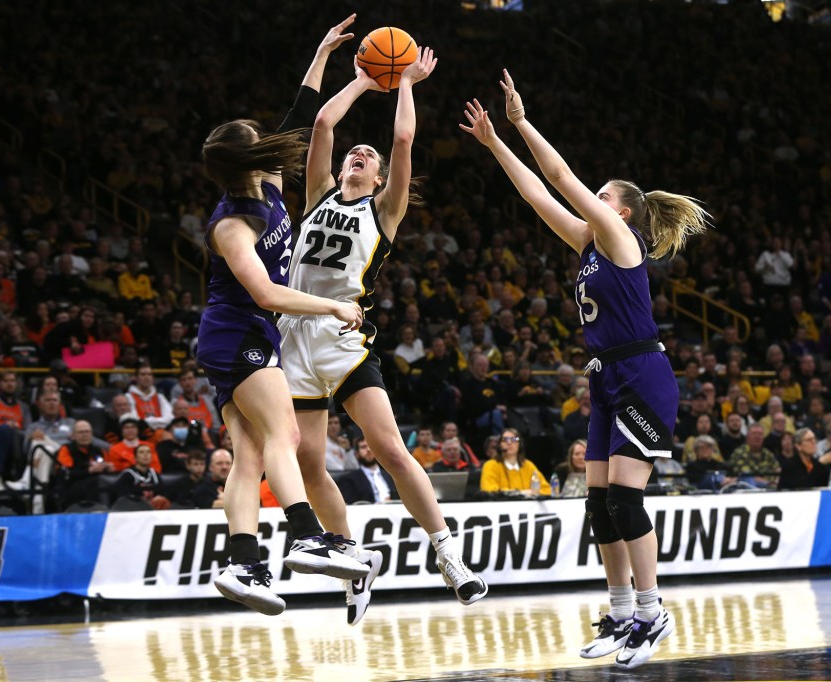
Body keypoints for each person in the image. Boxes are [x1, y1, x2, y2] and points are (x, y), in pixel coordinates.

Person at [461, 70, 709, 668]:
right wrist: (495, 144)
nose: (590, 200)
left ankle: (652, 612)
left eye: (601, 196)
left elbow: (560, 178)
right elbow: (538, 196)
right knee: (599, 507)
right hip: (604, 378)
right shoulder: (589, 244)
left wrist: (521, 122)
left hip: (641, 375)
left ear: (621, 212)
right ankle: (621, 613)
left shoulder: (624, 244)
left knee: (626, 502)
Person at [277, 42, 486, 627]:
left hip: (342, 335)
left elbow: (401, 142)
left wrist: (408, 83)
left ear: (379, 179)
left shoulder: (382, 212)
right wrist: (367, 82)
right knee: (310, 464)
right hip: (292, 337)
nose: (359, 153)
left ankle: (448, 553)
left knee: (390, 449)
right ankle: (350, 561)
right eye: (353, 153)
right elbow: (322, 121)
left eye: (366, 157)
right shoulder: (317, 194)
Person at [194, 15, 369, 617]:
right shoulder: (232, 225)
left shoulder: (265, 179)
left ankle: (243, 563)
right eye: (256, 135)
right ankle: (305, 537)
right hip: (237, 333)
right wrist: (332, 305)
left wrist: (323, 54)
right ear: (248, 159)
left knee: (249, 454)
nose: (270, 137)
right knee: (285, 436)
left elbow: (301, 115)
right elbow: (267, 295)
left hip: (239, 336)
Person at [480, 428, 551, 495]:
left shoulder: (528, 466)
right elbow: (489, 491)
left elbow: (547, 490)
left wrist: (531, 492)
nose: (509, 443)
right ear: (500, 445)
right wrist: (522, 493)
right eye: (505, 440)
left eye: (514, 439)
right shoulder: (490, 466)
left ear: (520, 444)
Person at [337, 438, 400, 504]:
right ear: (356, 454)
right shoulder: (349, 480)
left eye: (371, 446)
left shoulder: (392, 476)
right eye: (363, 447)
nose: (368, 449)